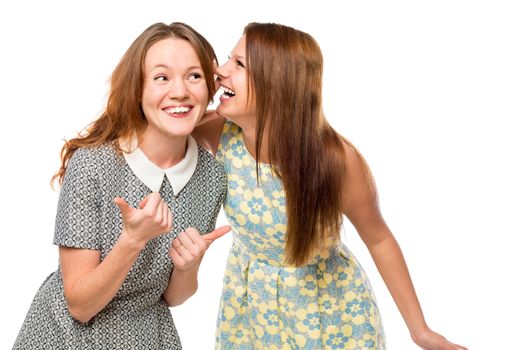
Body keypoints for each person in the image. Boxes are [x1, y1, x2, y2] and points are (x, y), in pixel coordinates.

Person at [193, 22, 467, 349]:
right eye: (228, 59)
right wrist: (197, 85)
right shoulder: (216, 133)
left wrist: (420, 330)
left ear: (276, 86)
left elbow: (379, 239)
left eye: (238, 64)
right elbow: (150, 122)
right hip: (251, 310)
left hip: (329, 316)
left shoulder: (335, 161)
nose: (220, 71)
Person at [13, 22, 229, 350]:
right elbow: (80, 305)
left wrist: (188, 267)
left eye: (194, 75)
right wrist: (133, 240)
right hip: (67, 337)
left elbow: (172, 296)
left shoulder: (211, 177)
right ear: (137, 89)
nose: (180, 91)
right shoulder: (92, 164)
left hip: (147, 336)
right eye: (161, 77)